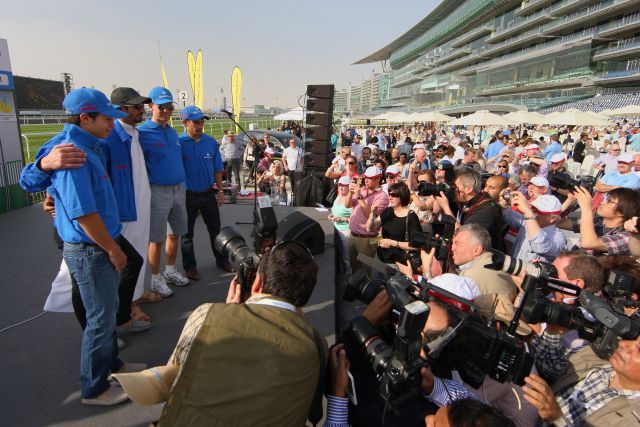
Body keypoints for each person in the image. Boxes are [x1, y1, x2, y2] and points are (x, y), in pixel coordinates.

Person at [158, 241, 326, 426]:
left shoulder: (205, 315)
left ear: (258, 282)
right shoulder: (316, 346)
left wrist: (225, 313)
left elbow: (170, 381)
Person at [46, 88, 144, 405]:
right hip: (92, 248)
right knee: (100, 318)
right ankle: (94, 387)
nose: (111, 124)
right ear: (85, 118)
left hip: (99, 243)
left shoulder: (89, 146)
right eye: (106, 119)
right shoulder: (72, 152)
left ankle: (113, 365)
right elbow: (85, 214)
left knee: (107, 311)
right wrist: (113, 250)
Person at [138, 87, 190, 297]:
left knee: (174, 233)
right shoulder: (142, 133)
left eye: (169, 107)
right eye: (161, 107)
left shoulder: (171, 131)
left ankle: (169, 270)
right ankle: (155, 277)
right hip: (158, 191)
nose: (166, 111)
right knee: (157, 238)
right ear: (151, 106)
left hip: (179, 189)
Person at [178, 106, 226, 281]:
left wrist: (220, 191)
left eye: (201, 122)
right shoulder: (179, 144)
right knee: (187, 235)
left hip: (208, 195)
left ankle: (221, 260)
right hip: (188, 196)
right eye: (195, 122)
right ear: (185, 123)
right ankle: (190, 267)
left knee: (216, 230)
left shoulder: (211, 142)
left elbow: (218, 170)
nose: (199, 126)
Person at [435, 169, 506, 252]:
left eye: (456, 187)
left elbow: (466, 236)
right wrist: (437, 193)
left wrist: (446, 207)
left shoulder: (488, 209)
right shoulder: (462, 199)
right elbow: (436, 211)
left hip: (482, 259)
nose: (453, 190)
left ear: (469, 189)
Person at [558, 186, 640, 256]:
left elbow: (589, 243)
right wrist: (569, 200)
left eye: (609, 201)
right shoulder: (597, 221)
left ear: (622, 212)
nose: (602, 202)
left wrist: (587, 208)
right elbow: (558, 222)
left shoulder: (628, 237)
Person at [451, 224, 518, 301]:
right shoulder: (505, 268)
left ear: (477, 250)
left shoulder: (468, 277)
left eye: (457, 243)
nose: (452, 248)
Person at [366, 182, 421, 269]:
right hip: (380, 257)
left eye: (393, 195)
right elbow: (370, 228)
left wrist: (394, 243)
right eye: (389, 194)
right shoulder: (388, 211)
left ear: (402, 196)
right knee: (375, 281)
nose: (390, 197)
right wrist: (372, 214)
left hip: (398, 263)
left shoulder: (411, 216)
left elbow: (416, 245)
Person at [345, 166, 389, 273]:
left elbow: (370, 215)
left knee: (365, 271)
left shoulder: (382, 196)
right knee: (354, 268)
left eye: (370, 178)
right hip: (353, 236)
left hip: (367, 240)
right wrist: (351, 192)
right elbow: (347, 205)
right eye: (366, 177)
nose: (366, 180)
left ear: (378, 179)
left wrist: (359, 197)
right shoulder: (363, 190)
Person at [502, 193, 567, 263]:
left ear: (553, 218)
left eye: (538, 211)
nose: (533, 212)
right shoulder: (527, 221)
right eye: (533, 208)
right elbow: (506, 214)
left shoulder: (559, 238)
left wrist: (528, 214)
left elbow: (540, 247)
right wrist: (505, 201)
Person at [329, 176, 353, 274]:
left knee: (346, 256)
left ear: (349, 187)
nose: (342, 188)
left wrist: (341, 219)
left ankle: (349, 273)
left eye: (344, 186)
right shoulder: (338, 196)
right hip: (335, 229)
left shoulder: (351, 199)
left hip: (345, 231)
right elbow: (335, 210)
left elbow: (355, 219)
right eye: (340, 185)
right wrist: (332, 215)